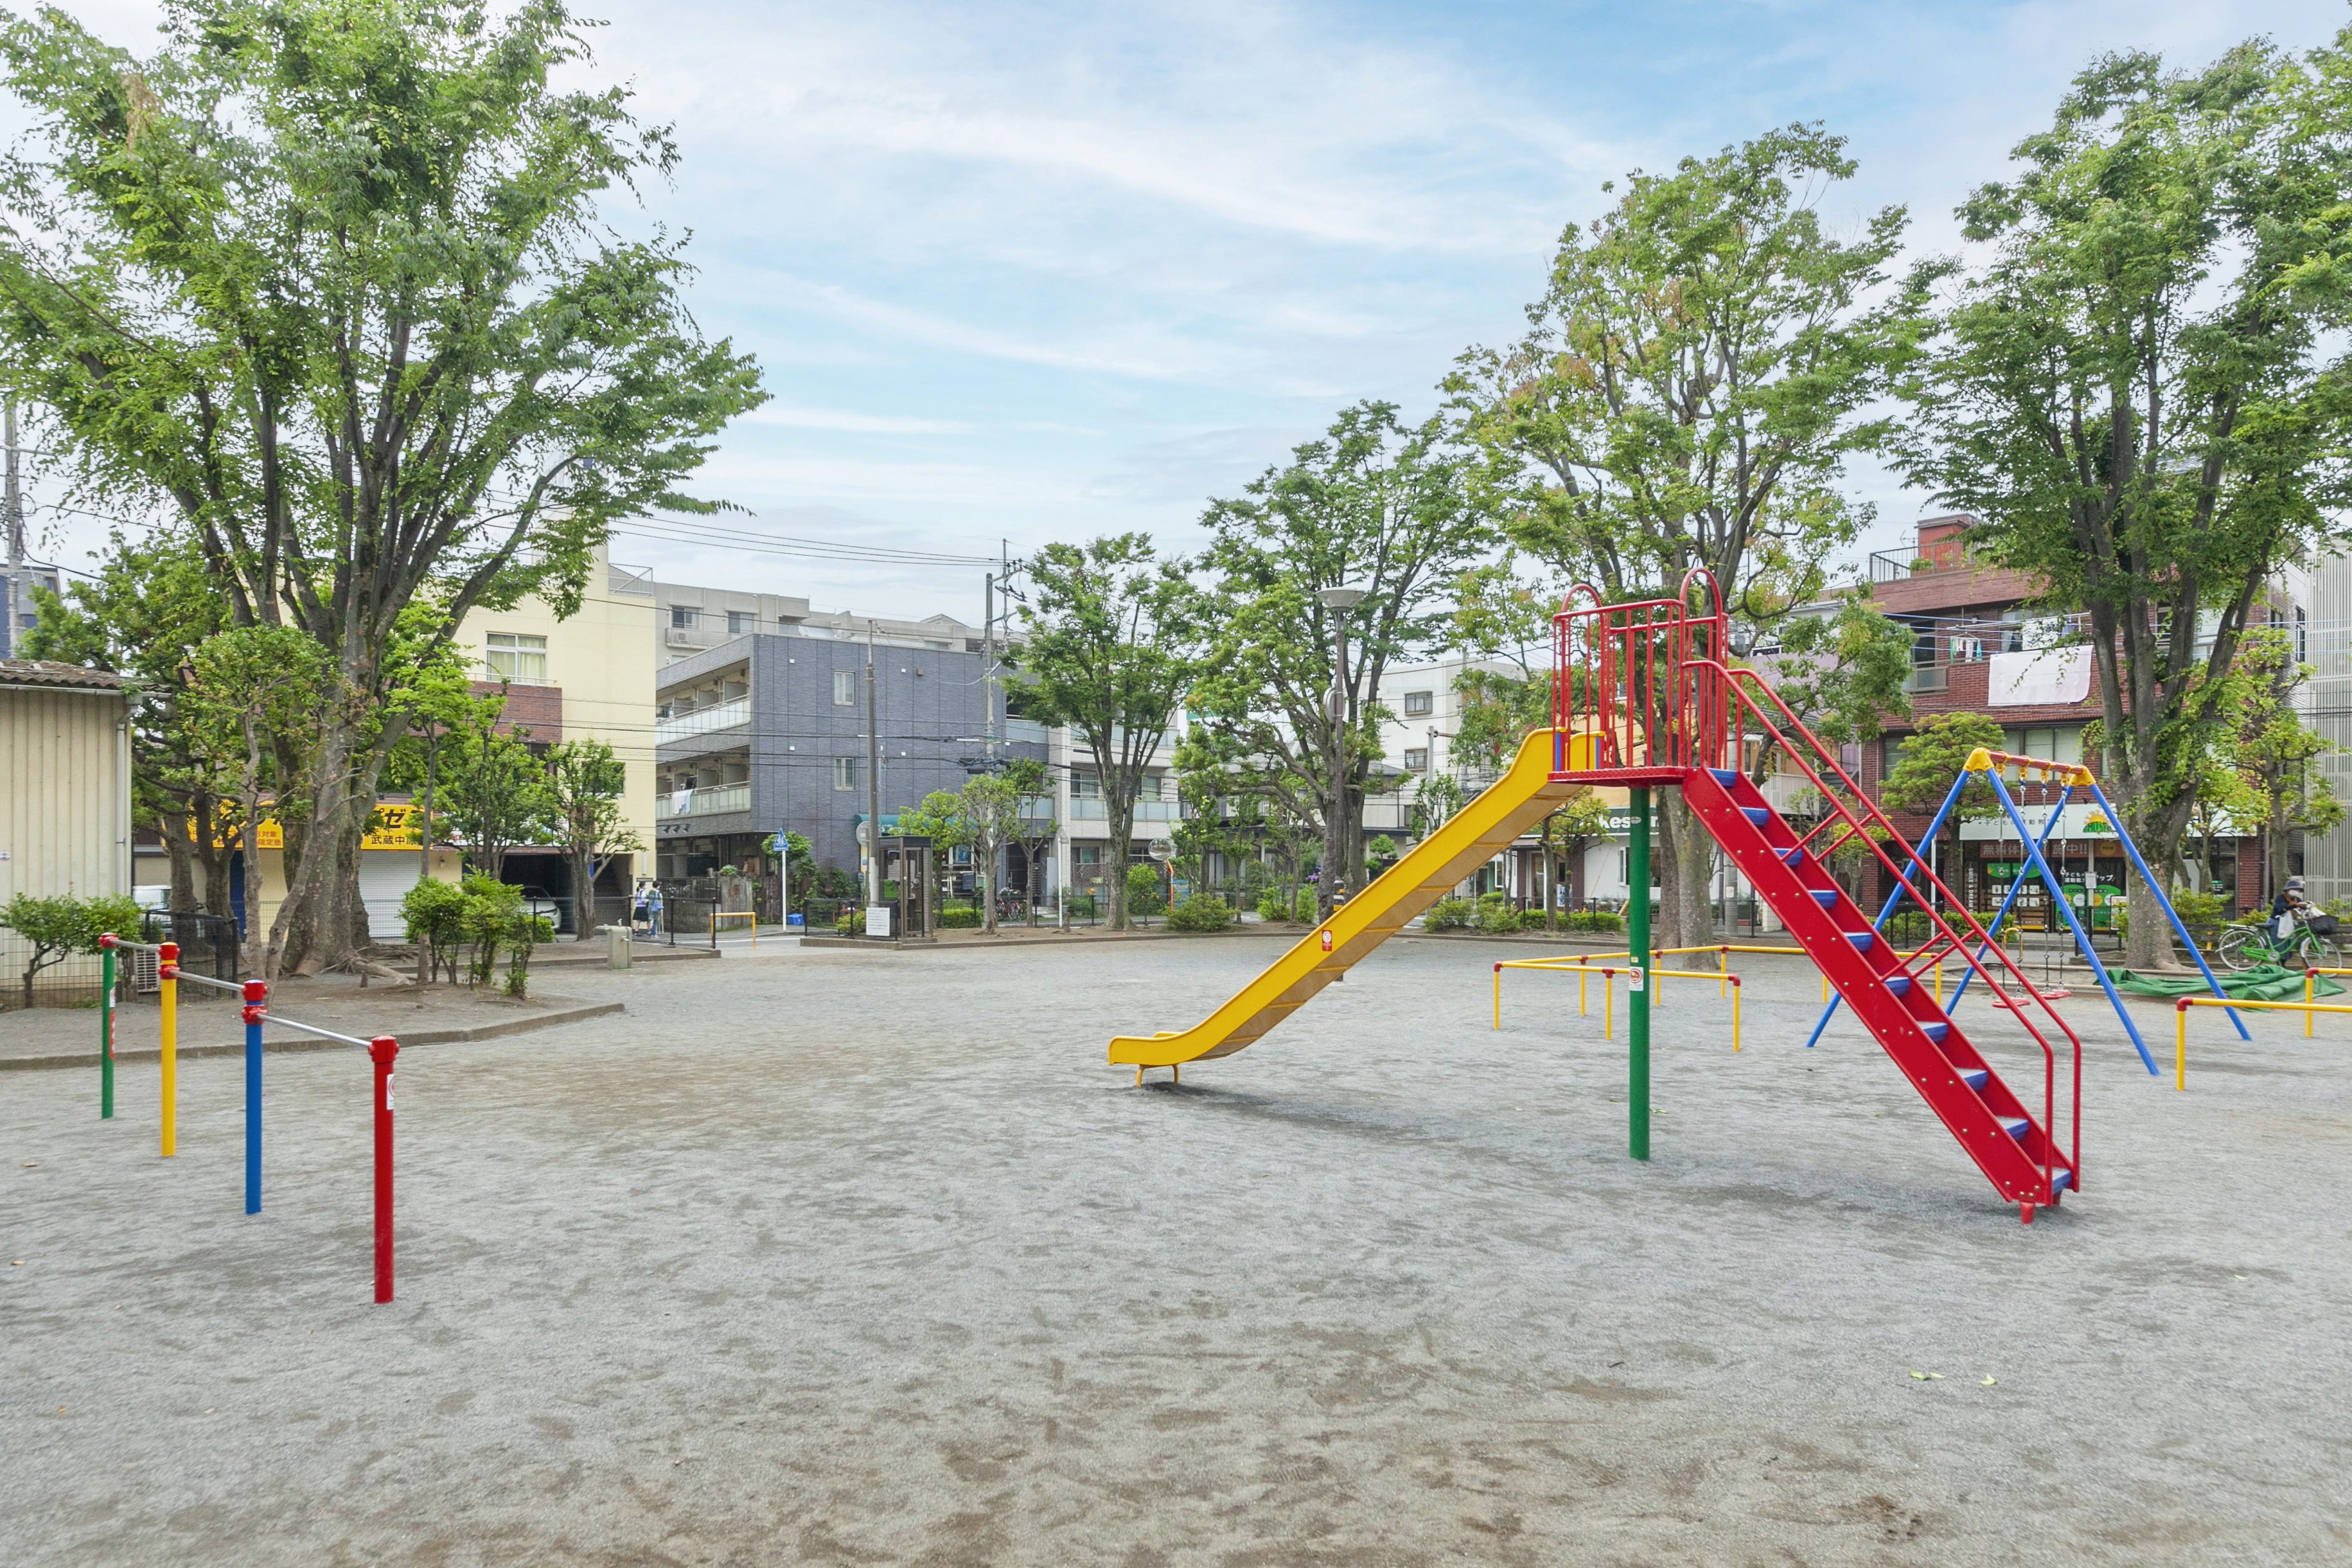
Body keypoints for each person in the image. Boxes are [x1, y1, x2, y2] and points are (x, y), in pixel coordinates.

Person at [2272, 877, 2311, 943]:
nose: (2296, 891)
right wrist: (2296, 905)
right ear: (2287, 890)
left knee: (2289, 942)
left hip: (2289, 923)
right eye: (2293, 889)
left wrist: (2308, 905)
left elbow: (2302, 908)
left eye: (2297, 890)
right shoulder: (2280, 898)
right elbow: (2283, 909)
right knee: (2279, 942)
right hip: (2277, 922)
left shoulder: (2297, 899)